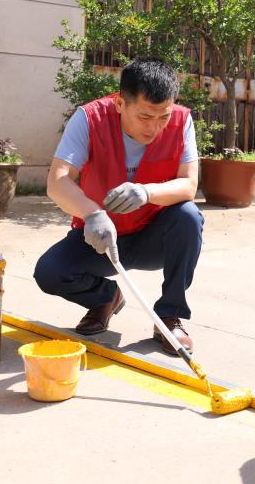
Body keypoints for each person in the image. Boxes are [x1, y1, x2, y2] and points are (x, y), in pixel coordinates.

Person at [33, 57, 203, 355]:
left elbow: (189, 185)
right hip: (101, 238)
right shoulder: (89, 119)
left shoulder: (181, 121)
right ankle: (105, 298)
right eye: (144, 116)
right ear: (120, 104)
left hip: (153, 237)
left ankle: (169, 316)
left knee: (188, 216)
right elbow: (57, 181)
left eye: (163, 117)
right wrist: (92, 213)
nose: (154, 127)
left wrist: (146, 192)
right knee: (49, 272)